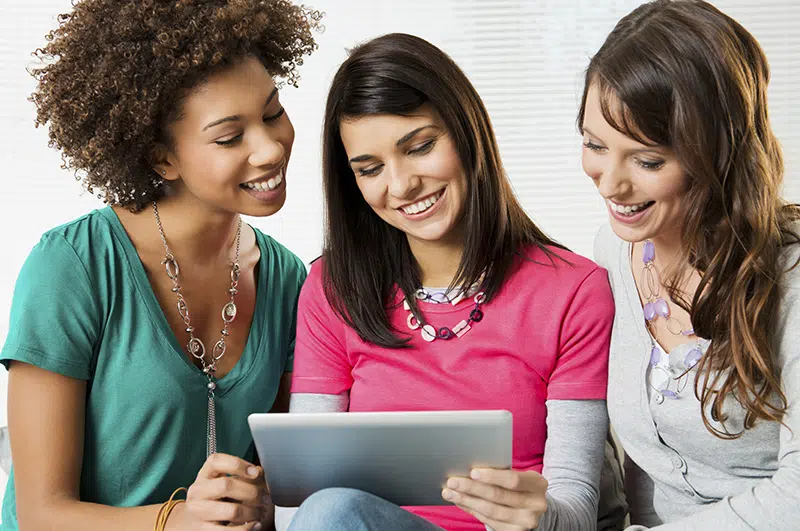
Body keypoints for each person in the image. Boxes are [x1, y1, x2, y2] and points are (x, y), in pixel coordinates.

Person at [0, 1, 319, 530]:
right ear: (161, 159)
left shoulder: (287, 280)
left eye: (272, 113)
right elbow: (40, 514)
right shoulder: (73, 267)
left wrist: (263, 507)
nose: (270, 149)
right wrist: (175, 522)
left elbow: (279, 484)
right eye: (228, 136)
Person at [285, 33, 624, 531]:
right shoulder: (332, 288)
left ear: (467, 131)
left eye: (420, 147)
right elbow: (301, 496)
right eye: (370, 168)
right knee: (330, 510)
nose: (401, 186)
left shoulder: (575, 291)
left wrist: (539, 515)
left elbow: (575, 509)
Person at [580, 1, 800, 528]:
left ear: (718, 152)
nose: (611, 183)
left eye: (647, 159)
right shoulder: (612, 253)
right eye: (593, 145)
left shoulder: (789, 277)